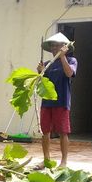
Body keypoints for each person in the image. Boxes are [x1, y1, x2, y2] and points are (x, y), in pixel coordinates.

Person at [36, 32, 77, 168]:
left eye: (57, 46)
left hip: (62, 101)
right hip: (47, 102)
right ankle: (46, 159)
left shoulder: (71, 61)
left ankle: (64, 161)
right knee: (45, 131)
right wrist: (40, 72)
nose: (54, 49)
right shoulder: (48, 64)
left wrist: (63, 56)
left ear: (64, 47)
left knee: (63, 132)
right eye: (52, 46)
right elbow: (42, 83)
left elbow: (69, 73)